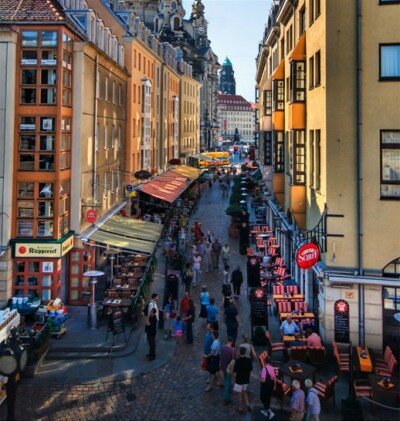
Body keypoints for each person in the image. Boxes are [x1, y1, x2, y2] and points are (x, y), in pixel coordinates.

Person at [233, 346, 253, 414]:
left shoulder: (237, 361)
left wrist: (234, 380)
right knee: (244, 392)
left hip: (239, 380)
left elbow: (235, 373)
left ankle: (240, 408)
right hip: (246, 379)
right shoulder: (249, 360)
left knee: (239, 394)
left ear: (240, 352)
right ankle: (248, 404)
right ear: (245, 352)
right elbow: (250, 371)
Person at [220, 337, 235, 405]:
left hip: (223, 367)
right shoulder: (232, 350)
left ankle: (229, 388)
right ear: (232, 342)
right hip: (229, 368)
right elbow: (233, 360)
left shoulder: (222, 348)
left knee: (226, 378)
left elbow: (221, 357)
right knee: (228, 381)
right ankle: (226, 398)